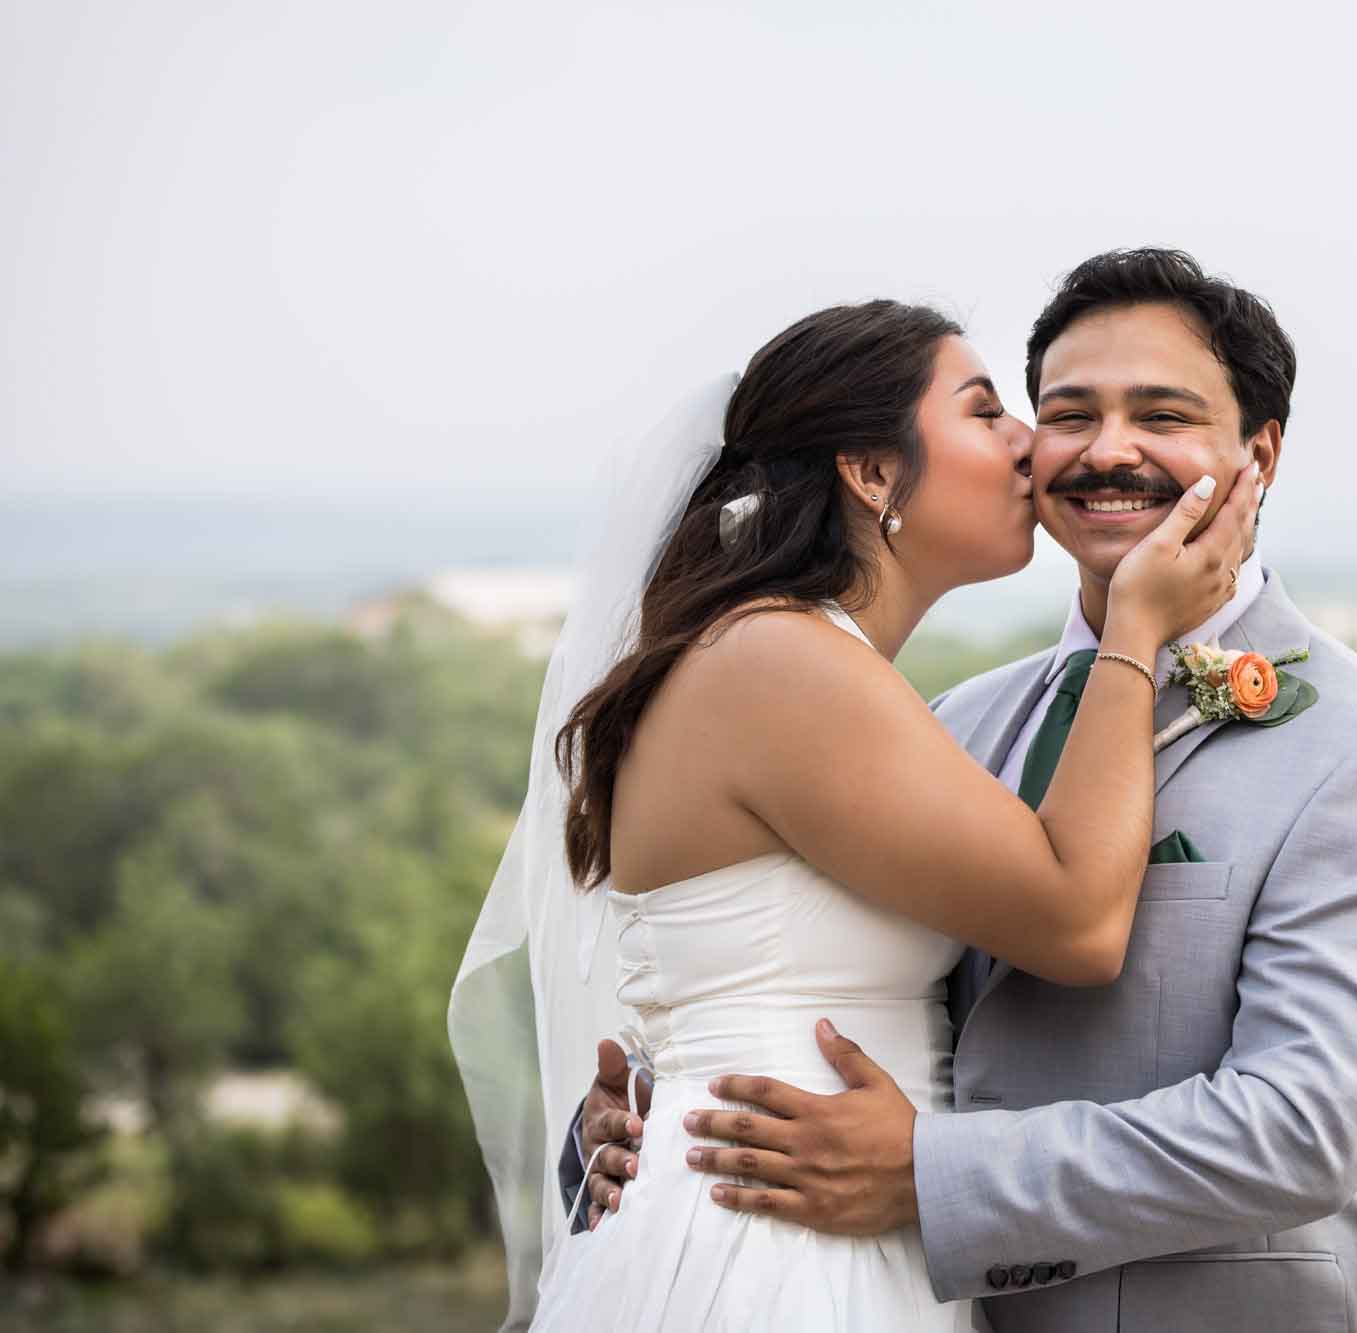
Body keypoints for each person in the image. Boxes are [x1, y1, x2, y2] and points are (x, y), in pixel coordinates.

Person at [574, 251, 1357, 1332]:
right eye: (1064, 412)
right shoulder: (952, 722)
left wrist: (928, 1172)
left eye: (1162, 414)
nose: (1106, 450)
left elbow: (1298, 1128)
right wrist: (642, 1121)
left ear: (1258, 454)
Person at [453, 296, 1259, 1331]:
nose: (1029, 441)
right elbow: (1077, 920)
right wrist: (1137, 629)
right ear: (872, 472)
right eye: (982, 412)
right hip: (772, 1252)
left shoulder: (810, 664)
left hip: (830, 1216)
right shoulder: (777, 659)